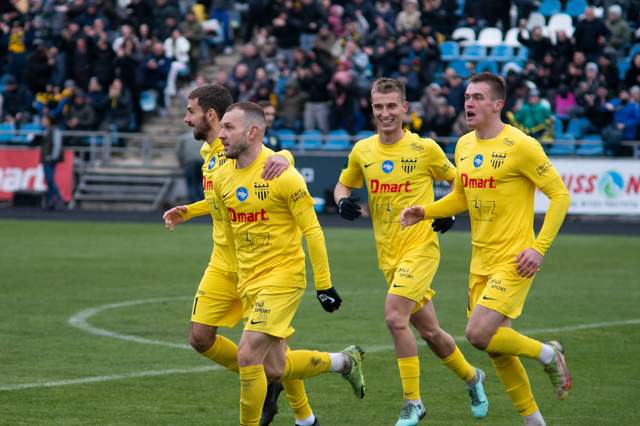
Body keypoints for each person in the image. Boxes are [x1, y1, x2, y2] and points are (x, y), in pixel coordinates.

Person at [400, 72, 572, 426]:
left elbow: (560, 195)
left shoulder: (521, 145)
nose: (469, 103)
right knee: (496, 348)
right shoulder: (464, 145)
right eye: (467, 97)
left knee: (478, 335)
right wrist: (426, 211)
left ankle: (547, 353)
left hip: (515, 258)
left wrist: (538, 248)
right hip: (480, 259)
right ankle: (534, 421)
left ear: (497, 105)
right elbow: (461, 197)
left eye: (477, 97)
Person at [334, 78, 488, 426]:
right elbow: (344, 184)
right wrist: (342, 200)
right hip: (388, 255)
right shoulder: (363, 150)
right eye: (379, 106)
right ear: (372, 109)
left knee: (394, 317)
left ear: (405, 108)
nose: (385, 113)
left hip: (421, 248)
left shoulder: (425, 149)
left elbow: (458, 182)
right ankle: (472, 377)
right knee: (431, 333)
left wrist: (448, 211)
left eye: (392, 106)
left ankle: (412, 402)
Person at [162, 85, 315, 426]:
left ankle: (305, 415)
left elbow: (276, 159)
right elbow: (222, 200)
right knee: (201, 338)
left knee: (272, 351)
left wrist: (286, 156)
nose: (186, 119)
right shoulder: (210, 153)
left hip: (256, 264)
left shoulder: (237, 145)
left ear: (211, 115)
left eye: (191, 112)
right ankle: (265, 379)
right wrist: (189, 211)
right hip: (222, 261)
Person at [212, 102, 366, 426]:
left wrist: (324, 284)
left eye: (228, 127)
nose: (221, 134)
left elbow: (312, 230)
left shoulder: (284, 175)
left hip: (283, 277)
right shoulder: (221, 177)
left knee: (247, 355)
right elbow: (229, 233)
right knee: (275, 368)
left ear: (252, 132)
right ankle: (343, 362)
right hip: (248, 280)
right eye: (221, 126)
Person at [38, 114, 63, 210]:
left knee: (50, 180)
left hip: (50, 159)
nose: (42, 121)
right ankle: (51, 200)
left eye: (44, 119)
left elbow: (57, 144)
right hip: (45, 158)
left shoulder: (55, 130)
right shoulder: (46, 130)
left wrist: (53, 157)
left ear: (49, 120)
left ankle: (57, 197)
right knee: (49, 181)